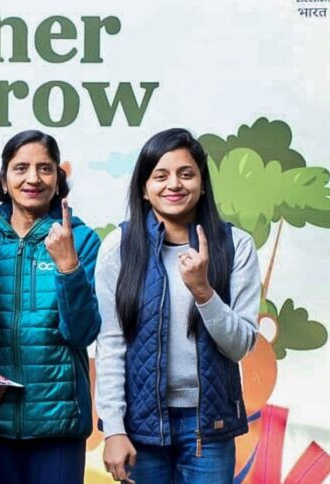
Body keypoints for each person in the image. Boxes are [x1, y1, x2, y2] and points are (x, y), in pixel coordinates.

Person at [95, 128, 261, 483]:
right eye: (161, 175)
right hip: (140, 426)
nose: (174, 184)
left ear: (202, 184)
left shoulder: (237, 246)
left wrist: (203, 291)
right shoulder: (118, 248)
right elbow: (110, 344)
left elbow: (240, 345)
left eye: (186, 174)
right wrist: (113, 429)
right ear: (144, 187)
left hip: (209, 425)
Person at [0, 130, 102, 483]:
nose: (33, 178)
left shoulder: (82, 239)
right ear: (3, 179)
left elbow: (82, 332)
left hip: (57, 425)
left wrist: (68, 267)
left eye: (45, 169)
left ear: (59, 180)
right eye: (21, 168)